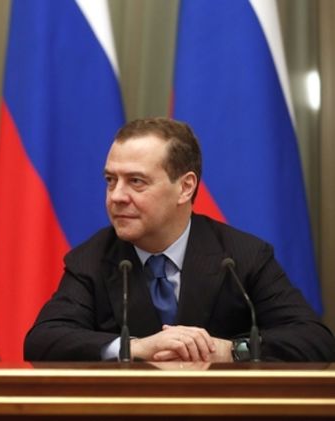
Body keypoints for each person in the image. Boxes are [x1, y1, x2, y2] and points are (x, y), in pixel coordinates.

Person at [24, 117, 335, 362]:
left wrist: (231, 350)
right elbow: (43, 340)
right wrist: (135, 347)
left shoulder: (240, 256)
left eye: (136, 181)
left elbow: (315, 340)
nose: (116, 196)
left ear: (185, 187)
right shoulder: (93, 257)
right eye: (110, 180)